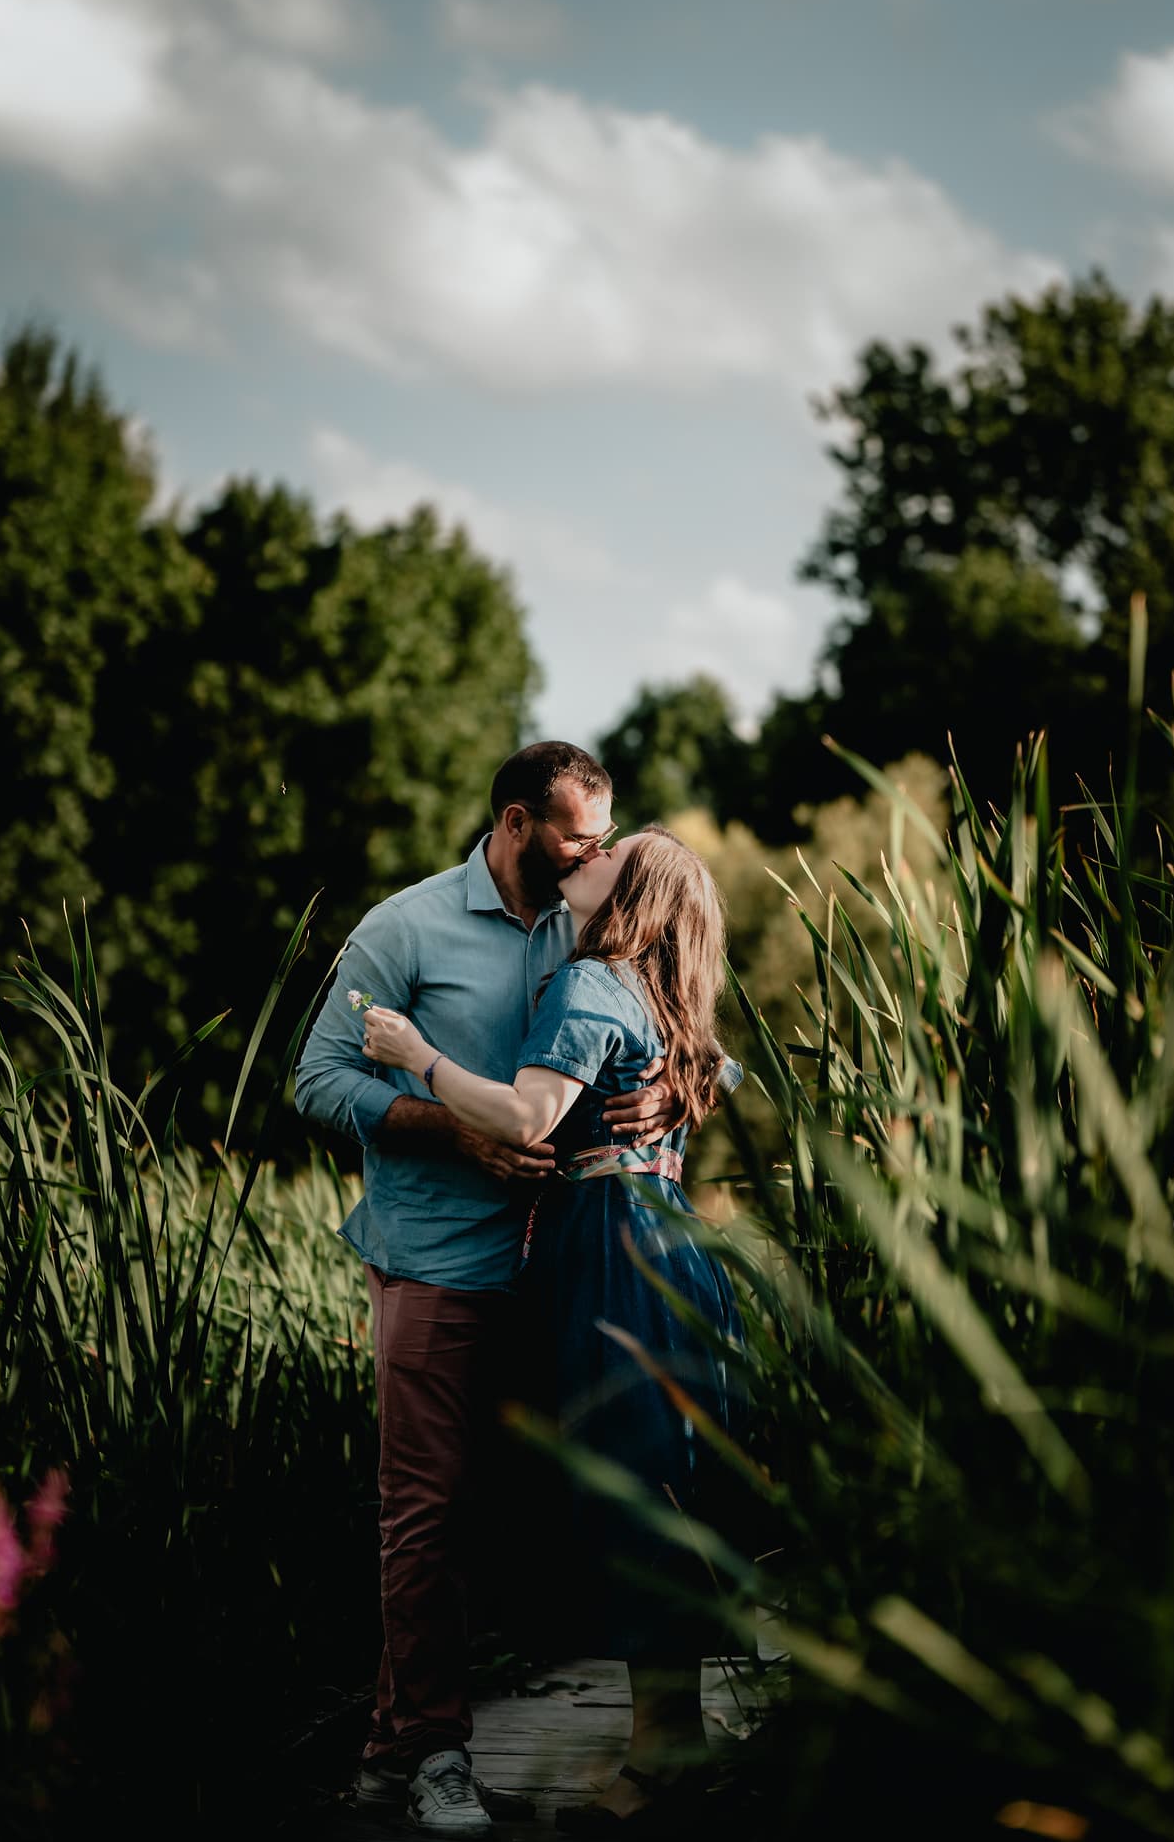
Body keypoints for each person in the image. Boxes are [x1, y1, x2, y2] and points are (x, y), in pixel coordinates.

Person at [294, 743, 676, 1836]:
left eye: (605, 836)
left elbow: (666, 1025)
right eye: (575, 835)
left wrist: (671, 1091)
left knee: (518, 1513)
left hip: (564, 1265)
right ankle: (432, 1758)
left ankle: (394, 1751)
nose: (595, 852)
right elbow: (315, 1080)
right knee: (426, 1513)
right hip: (436, 1258)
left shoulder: (592, 921)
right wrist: (462, 1133)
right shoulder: (404, 927)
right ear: (514, 822)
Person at [362, 824, 743, 1836]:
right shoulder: (657, 993)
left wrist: (415, 1054)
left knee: (625, 1498)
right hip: (669, 1253)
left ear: (638, 894)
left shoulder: (591, 983)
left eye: (614, 851)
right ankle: (671, 1744)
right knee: (660, 1488)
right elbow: (727, 1068)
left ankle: (660, 1757)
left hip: (608, 1258)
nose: (591, 851)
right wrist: (684, 1082)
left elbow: (527, 1119)